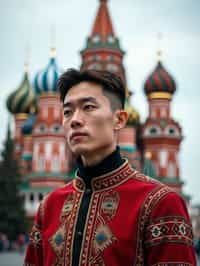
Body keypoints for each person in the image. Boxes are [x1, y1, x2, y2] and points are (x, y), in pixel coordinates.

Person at [24, 69, 196, 265]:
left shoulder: (161, 204)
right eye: (67, 112)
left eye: (88, 107)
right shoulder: (49, 207)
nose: (75, 120)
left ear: (120, 119)